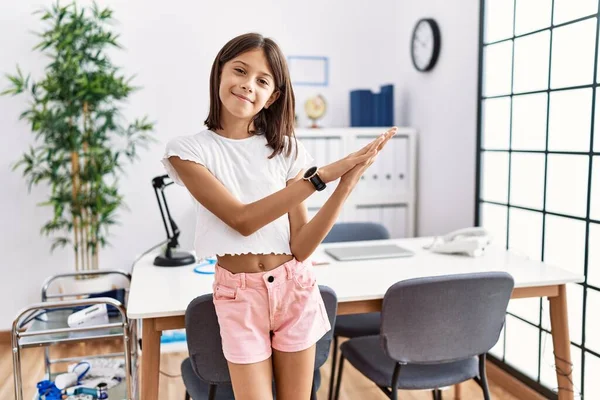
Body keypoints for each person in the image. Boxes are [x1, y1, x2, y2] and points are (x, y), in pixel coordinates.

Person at [161, 32, 396, 400]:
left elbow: (302, 247)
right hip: (240, 297)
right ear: (219, 72)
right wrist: (321, 177)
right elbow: (242, 220)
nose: (247, 85)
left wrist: (345, 185)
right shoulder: (189, 151)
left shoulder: (285, 150)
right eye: (239, 70)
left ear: (272, 97)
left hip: (295, 287)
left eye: (261, 80)